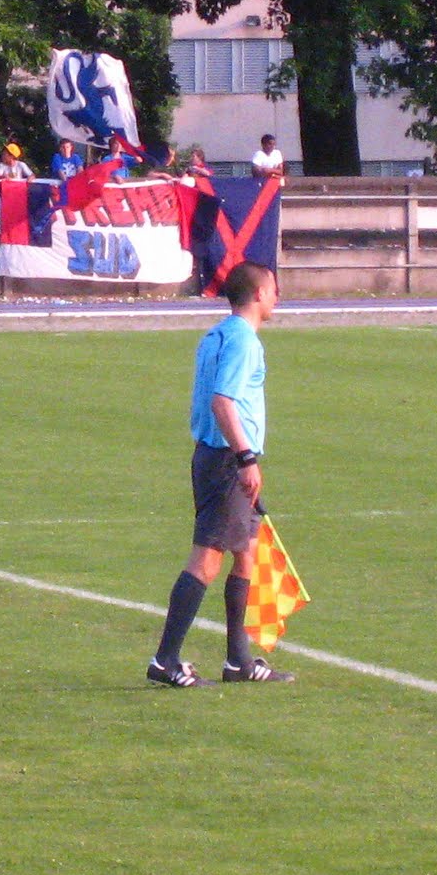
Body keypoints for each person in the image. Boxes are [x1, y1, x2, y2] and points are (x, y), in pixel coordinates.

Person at [146, 261, 294, 688]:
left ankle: (238, 661)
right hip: (227, 461)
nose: (277, 298)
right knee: (207, 560)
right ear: (259, 293)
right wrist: (246, 458)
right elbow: (223, 402)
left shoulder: (215, 335)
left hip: (215, 457)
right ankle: (165, 659)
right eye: (273, 289)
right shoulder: (244, 342)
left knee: (246, 551)